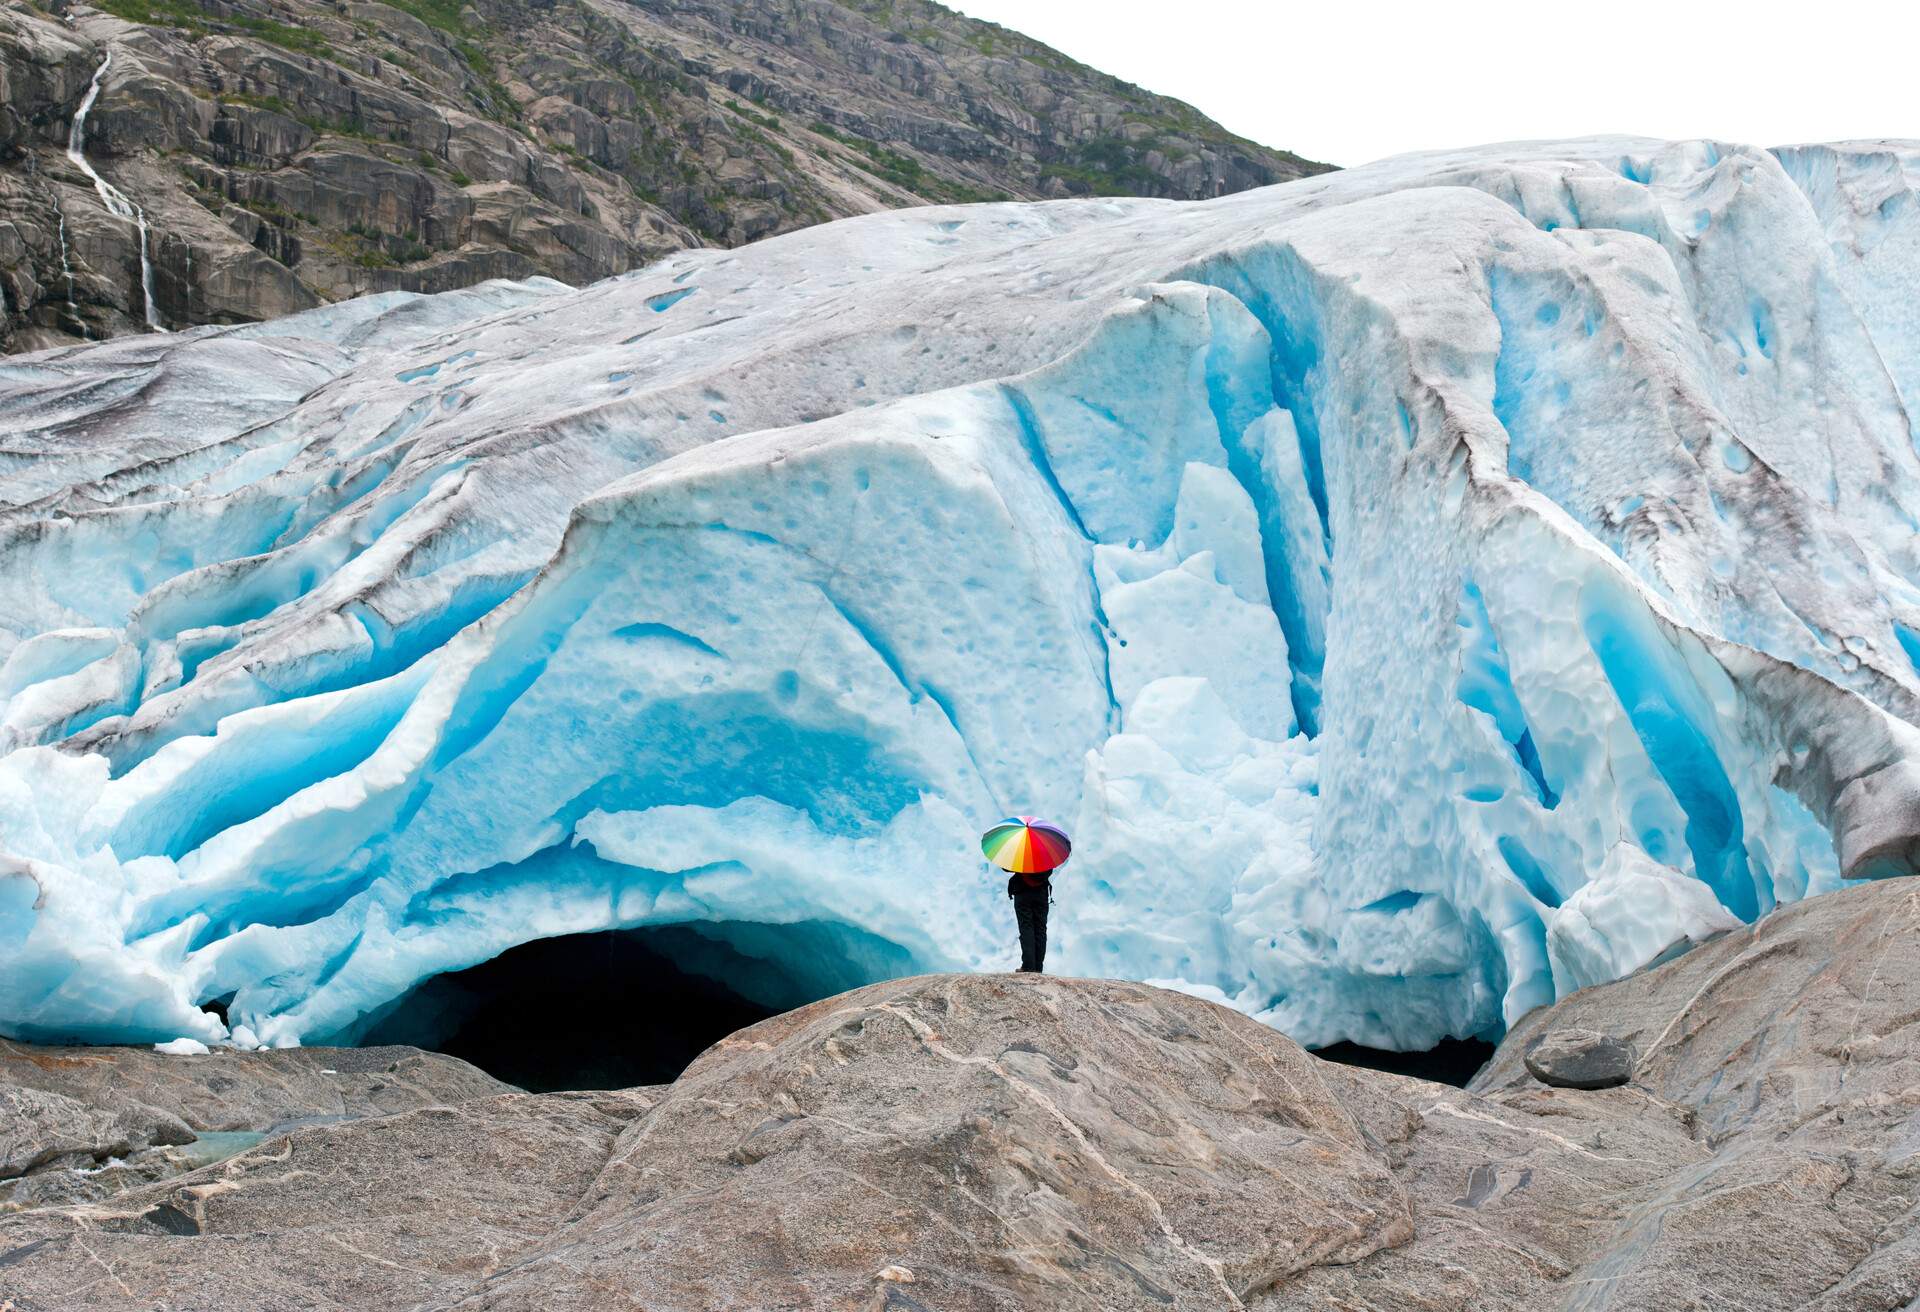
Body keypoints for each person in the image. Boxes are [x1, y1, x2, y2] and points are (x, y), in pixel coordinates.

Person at [1008, 867, 1055, 973]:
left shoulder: (1020, 852)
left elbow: (1006, 868)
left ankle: (1028, 965)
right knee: (1040, 929)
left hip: (1022, 891)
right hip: (1041, 893)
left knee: (1026, 927)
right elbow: (1049, 870)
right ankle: (1038, 967)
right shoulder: (1045, 854)